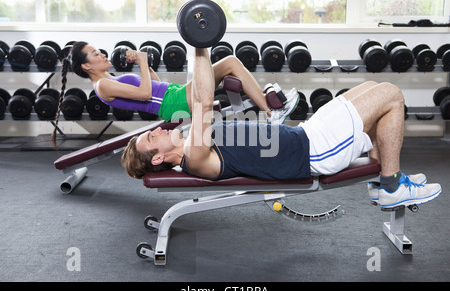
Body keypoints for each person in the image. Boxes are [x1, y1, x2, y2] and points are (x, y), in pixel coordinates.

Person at [121, 47, 442, 211]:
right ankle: (390, 187)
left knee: (373, 86)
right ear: (159, 159)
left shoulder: (191, 142)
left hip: (307, 131)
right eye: (152, 137)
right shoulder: (194, 155)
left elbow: (201, 97)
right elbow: (203, 100)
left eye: (153, 131)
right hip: (315, 148)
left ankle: (384, 178)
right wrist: (199, 47)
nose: (159, 130)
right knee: (391, 95)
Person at [51, 41, 298, 144]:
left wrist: (143, 65)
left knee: (229, 65)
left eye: (99, 51)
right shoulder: (103, 86)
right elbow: (147, 94)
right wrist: (143, 62)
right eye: (95, 54)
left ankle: (267, 108)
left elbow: (153, 85)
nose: (102, 55)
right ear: (86, 66)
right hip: (176, 102)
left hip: (175, 94)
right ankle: (269, 112)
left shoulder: (108, 79)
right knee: (231, 62)